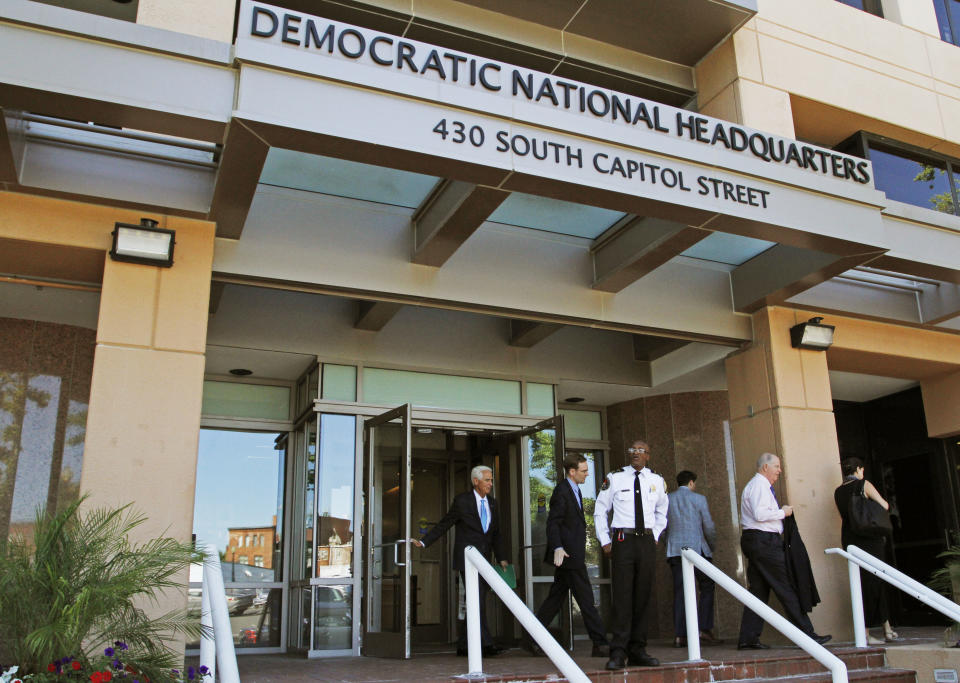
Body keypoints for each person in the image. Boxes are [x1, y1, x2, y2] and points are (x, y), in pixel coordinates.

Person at [737, 453, 831, 649]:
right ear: (765, 467)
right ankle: (807, 636)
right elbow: (760, 514)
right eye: (776, 466)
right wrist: (784, 512)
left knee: (759, 591)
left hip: (758, 542)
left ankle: (748, 638)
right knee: (786, 585)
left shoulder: (758, 486)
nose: (779, 470)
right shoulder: (759, 486)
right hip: (764, 542)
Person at [413, 465, 508, 656]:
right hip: (468, 561)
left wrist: (502, 558)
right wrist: (424, 542)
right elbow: (445, 524)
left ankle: (465, 645)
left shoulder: (493, 503)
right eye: (487, 480)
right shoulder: (462, 501)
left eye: (491, 480)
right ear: (476, 481)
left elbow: (496, 534)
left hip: (486, 560)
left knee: (476, 599)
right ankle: (486, 644)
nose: (491, 483)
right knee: (478, 598)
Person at [524, 453, 610, 658]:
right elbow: (553, 522)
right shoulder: (562, 491)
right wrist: (558, 547)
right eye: (584, 471)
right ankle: (600, 643)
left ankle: (531, 640)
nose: (587, 474)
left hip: (572, 554)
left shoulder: (574, 489)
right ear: (572, 472)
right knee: (587, 599)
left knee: (555, 599)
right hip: (569, 556)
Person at [594, 439, 668, 670]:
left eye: (641, 451)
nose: (636, 453)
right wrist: (605, 541)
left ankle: (638, 650)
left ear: (648, 455)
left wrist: (654, 535)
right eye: (632, 450)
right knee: (623, 597)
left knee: (642, 596)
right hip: (622, 540)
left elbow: (662, 511)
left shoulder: (657, 480)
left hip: (645, 541)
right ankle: (618, 652)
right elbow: (600, 510)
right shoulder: (615, 478)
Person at [834, 457, 898, 644]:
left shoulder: (838, 492)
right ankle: (867, 633)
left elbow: (843, 516)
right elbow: (884, 505)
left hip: (850, 539)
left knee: (861, 583)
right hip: (870, 539)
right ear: (859, 469)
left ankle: (886, 628)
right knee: (876, 582)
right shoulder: (863, 484)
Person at [665, 470, 721, 648]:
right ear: (691, 483)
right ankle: (704, 629)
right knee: (707, 586)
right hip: (698, 549)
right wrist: (711, 546)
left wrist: (670, 541)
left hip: (675, 550)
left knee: (680, 591)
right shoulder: (699, 499)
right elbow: (709, 526)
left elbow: (662, 526)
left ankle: (680, 635)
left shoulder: (667, 499)